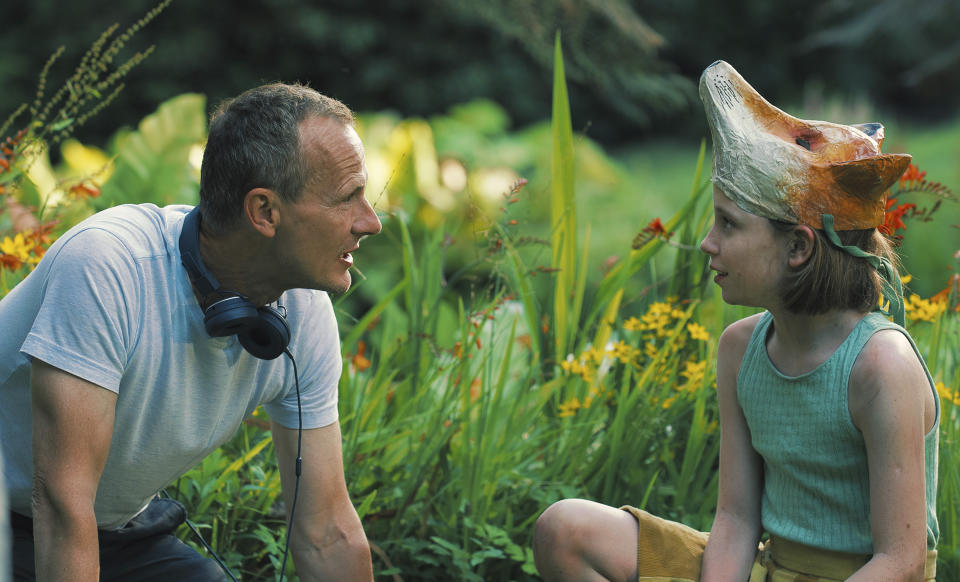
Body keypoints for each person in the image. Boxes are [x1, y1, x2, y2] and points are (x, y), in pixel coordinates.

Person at [532, 60, 939, 582]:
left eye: (728, 224)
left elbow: (900, 562)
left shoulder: (881, 366)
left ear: (797, 246)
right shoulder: (741, 348)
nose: (708, 243)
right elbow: (738, 519)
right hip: (769, 567)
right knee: (565, 531)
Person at [0, 83, 381, 581]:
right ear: (264, 211)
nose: (370, 222)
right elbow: (61, 505)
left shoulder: (302, 312)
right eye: (346, 199)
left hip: (112, 531)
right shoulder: (107, 268)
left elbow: (326, 530)